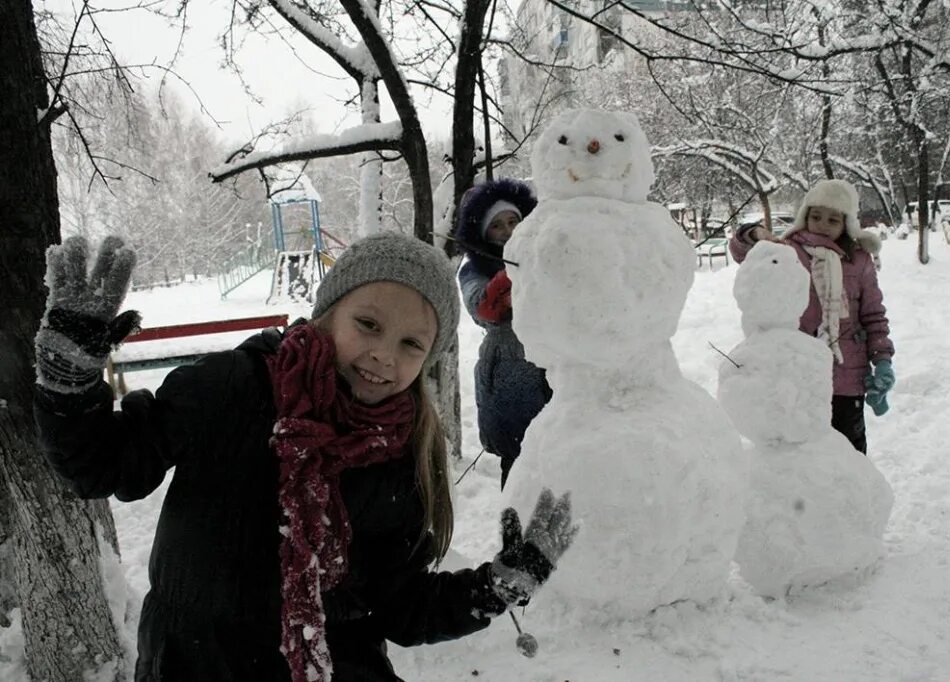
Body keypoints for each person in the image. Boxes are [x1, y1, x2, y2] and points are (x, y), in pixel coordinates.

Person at [33, 233, 576, 682]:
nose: (384, 355)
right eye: (368, 324)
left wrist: (502, 584)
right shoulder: (233, 388)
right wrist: (71, 378)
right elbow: (102, 464)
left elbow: (403, 605)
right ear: (327, 315)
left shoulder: (399, 454)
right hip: (197, 665)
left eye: (412, 344)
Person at [729, 179, 895, 454]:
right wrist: (753, 233)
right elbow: (741, 252)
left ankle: (851, 498)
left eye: (833, 219)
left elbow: (874, 315)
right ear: (805, 215)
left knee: (848, 454)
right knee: (802, 453)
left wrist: (883, 360)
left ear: (846, 224)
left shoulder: (859, 260)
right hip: (799, 372)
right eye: (815, 216)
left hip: (848, 376)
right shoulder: (788, 251)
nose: (822, 224)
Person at [456, 178, 552, 488]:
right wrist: (512, 275)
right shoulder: (474, 271)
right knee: (519, 469)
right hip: (508, 375)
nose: (508, 230)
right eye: (497, 225)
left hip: (552, 365)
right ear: (484, 233)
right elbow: (483, 310)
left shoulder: (545, 258)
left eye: (513, 221)